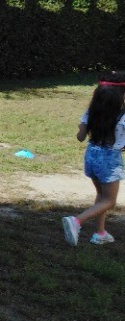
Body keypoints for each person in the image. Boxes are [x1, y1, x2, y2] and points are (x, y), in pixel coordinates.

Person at [61, 72, 125, 245]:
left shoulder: (91, 112)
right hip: (109, 161)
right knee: (109, 201)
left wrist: (81, 128)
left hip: (91, 155)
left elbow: (80, 137)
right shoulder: (123, 116)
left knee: (101, 196)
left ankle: (100, 233)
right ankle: (76, 221)